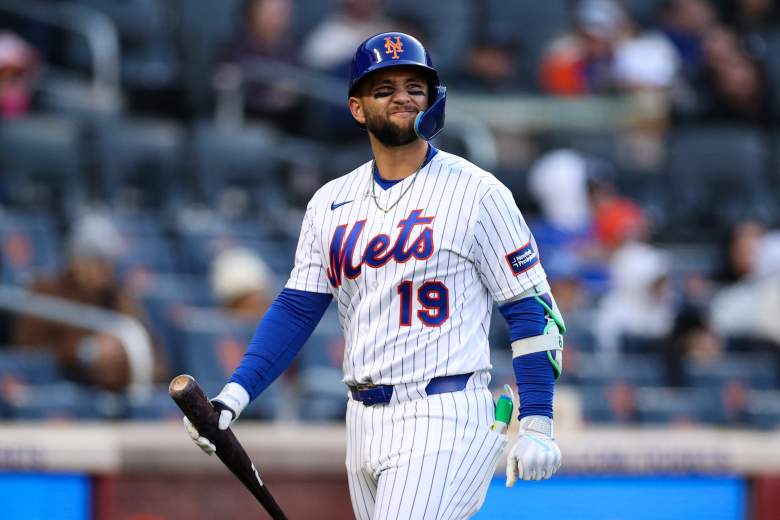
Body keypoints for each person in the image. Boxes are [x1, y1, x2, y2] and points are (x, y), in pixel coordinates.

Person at [183, 33, 565, 519]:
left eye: (415, 87)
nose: (403, 97)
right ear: (357, 108)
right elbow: (297, 308)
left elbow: (532, 309)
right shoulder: (330, 202)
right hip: (362, 417)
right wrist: (233, 396)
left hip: (444, 408)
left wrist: (538, 422)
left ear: (434, 98)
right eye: (384, 89)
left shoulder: (479, 193)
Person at [12, 212, 165, 392]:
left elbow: (155, 363)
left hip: (116, 396)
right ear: (75, 261)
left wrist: (123, 357)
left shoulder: (119, 298)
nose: (105, 270)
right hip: (64, 390)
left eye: (109, 262)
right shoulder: (46, 291)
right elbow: (27, 356)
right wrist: (84, 351)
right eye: (97, 261)